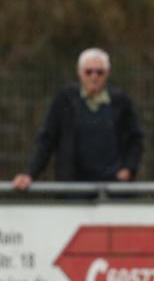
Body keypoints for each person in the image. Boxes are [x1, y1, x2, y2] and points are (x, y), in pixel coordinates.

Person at [11, 48, 143, 190]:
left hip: (113, 188)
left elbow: (135, 140)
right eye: (88, 71)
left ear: (107, 73)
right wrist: (30, 174)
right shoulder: (64, 99)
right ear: (79, 72)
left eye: (99, 72)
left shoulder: (121, 101)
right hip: (73, 189)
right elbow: (46, 139)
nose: (94, 76)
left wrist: (129, 168)